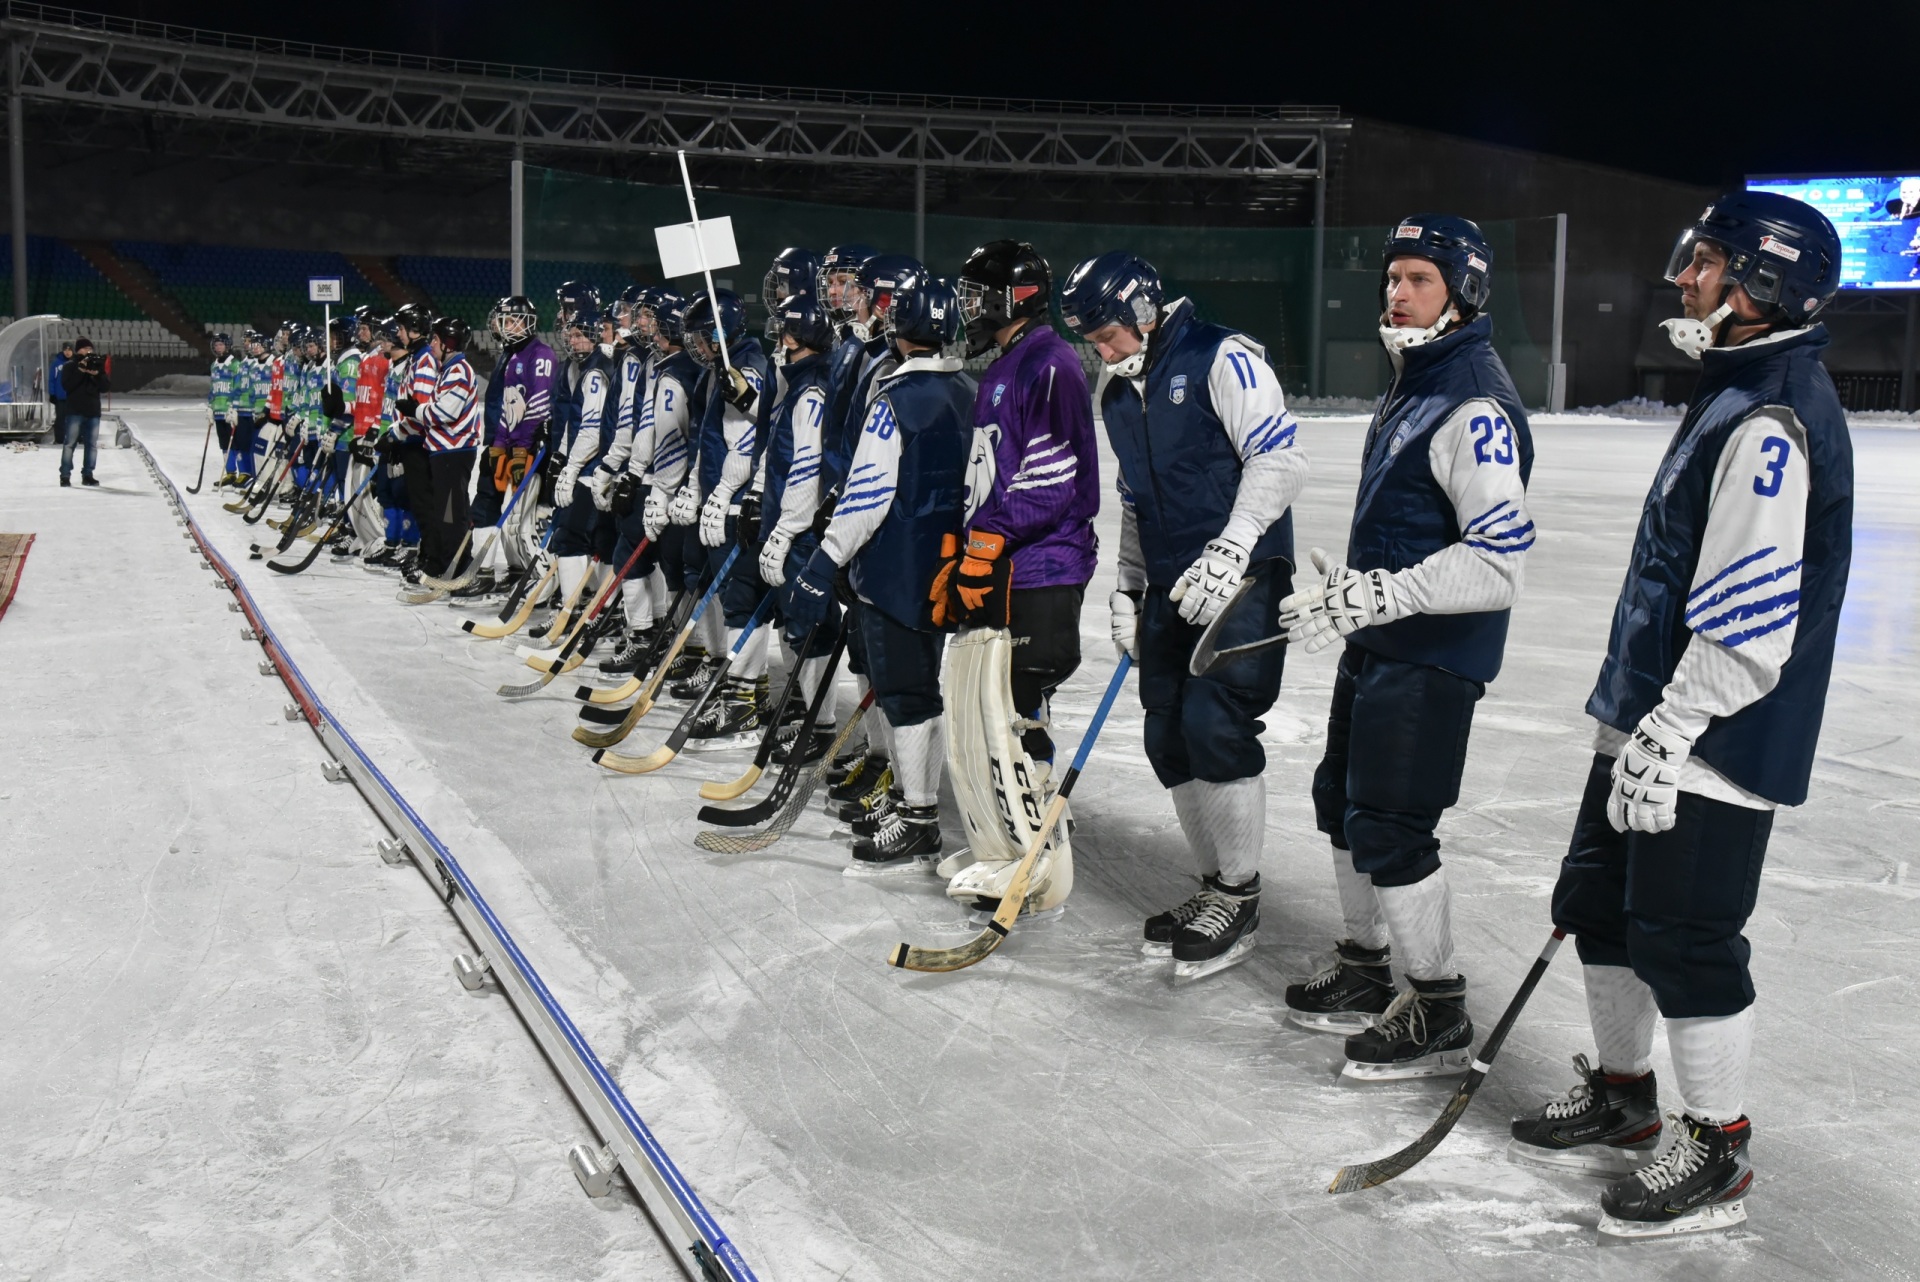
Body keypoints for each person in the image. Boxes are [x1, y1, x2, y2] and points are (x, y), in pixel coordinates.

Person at [1509, 191, 1852, 1239]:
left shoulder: (1771, 418)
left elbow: (1750, 625)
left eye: (1706, 262)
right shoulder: (1731, 388)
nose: (1685, 278)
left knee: (1688, 937)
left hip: (1713, 733)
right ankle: (1625, 1092)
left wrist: (1670, 730)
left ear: (1765, 284)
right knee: (1602, 904)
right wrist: (1635, 723)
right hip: (1651, 718)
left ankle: (1717, 1148)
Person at [1275, 216, 1537, 1079]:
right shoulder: (1414, 379)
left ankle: (1436, 1002)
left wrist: (1383, 594)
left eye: (1420, 277)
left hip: (1434, 655)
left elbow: (1498, 562)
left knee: (1391, 821)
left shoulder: (1474, 401)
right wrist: (1361, 597)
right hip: (1383, 639)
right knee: (1339, 801)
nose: (1397, 291)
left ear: (1463, 291)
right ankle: (1363, 964)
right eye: (1392, 276)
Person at [1060, 250, 1307, 982]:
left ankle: (1239, 893)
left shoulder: (1222, 357)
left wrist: (1233, 549)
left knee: (1214, 721)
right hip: (1171, 584)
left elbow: (1282, 460)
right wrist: (1128, 588)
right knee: (1166, 732)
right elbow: (1136, 500)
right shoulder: (1115, 392)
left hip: (1248, 576)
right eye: (1091, 341)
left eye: (1107, 335)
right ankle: (1215, 886)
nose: (1100, 351)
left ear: (1143, 310)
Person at [783, 255, 975, 873]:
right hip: (946, 569)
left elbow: (869, 492)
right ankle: (908, 800)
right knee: (920, 688)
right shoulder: (968, 391)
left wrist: (826, 555)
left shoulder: (897, 395)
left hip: (892, 570)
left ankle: (917, 816)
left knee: (906, 694)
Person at [932, 239, 1099, 917]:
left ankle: (1039, 850)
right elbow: (991, 472)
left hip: (1042, 566)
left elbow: (1054, 475)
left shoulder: (1050, 362)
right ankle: (1009, 842)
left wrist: (990, 537)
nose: (969, 307)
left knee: (1020, 707)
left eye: (979, 295)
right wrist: (964, 538)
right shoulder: (1005, 363)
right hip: (1007, 564)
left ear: (1016, 298)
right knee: (993, 708)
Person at [681, 287, 774, 741]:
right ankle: (745, 692)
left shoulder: (747, 362)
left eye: (703, 337)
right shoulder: (718, 369)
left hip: (738, 501)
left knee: (741, 602)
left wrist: (724, 492)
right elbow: (711, 438)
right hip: (723, 496)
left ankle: (744, 705)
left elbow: (749, 436)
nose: (696, 346)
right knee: (729, 599)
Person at [756, 289, 839, 760]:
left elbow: (807, 464)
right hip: (787, 523)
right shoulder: (798, 382)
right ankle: (805, 712)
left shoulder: (811, 389)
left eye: (784, 331)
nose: (779, 339)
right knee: (792, 623)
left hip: (803, 531)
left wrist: (788, 528)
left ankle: (821, 725)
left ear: (797, 336)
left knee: (809, 625)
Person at [461, 295, 555, 597]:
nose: (504, 326)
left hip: (526, 447)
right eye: (504, 320)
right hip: (505, 443)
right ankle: (506, 571)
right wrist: (498, 445)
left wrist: (519, 448)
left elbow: (537, 406)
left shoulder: (538, 355)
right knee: (491, 505)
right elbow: (506, 406)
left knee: (519, 519)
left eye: (511, 320)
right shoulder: (510, 356)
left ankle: (533, 578)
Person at [548, 294, 616, 617]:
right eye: (570, 335)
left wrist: (571, 467)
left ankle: (571, 610)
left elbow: (591, 430)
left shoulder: (596, 371)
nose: (572, 340)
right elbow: (572, 425)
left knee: (572, 537)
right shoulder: (581, 366)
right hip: (586, 469)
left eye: (578, 335)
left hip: (594, 471)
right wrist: (561, 457)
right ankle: (594, 608)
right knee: (594, 541)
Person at [57, 337, 109, 487]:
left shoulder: (97, 366)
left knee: (91, 445)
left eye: (90, 349)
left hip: (92, 412)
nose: (88, 351)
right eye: (85, 348)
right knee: (69, 444)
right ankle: (65, 476)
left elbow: (105, 387)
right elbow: (68, 386)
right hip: (75, 411)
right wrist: (80, 370)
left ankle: (88, 474)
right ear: (78, 350)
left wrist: (96, 374)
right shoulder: (70, 366)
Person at [207, 333, 242, 486]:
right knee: (224, 443)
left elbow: (238, 386)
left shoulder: (235, 364)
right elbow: (213, 388)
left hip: (230, 412)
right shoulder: (214, 365)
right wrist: (210, 406)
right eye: (216, 344)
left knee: (235, 443)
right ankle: (230, 473)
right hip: (218, 412)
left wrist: (234, 407)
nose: (218, 347)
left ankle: (242, 475)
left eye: (221, 344)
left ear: (227, 346)